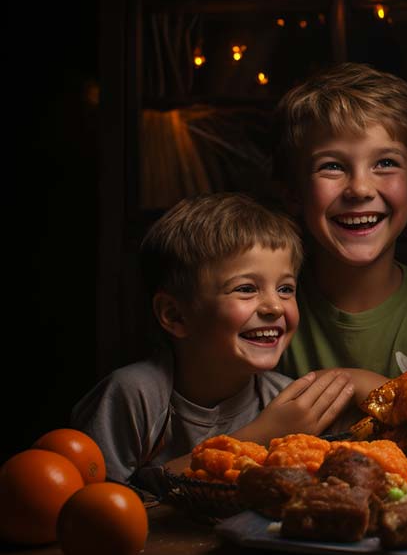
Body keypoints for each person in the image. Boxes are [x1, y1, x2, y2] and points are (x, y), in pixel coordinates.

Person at [73, 193, 356, 492]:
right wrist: (260, 436)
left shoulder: (285, 400)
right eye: (246, 289)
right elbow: (95, 504)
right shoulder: (133, 395)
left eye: (286, 288)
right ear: (175, 315)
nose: (274, 306)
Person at [275, 62, 407, 383]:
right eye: (331, 166)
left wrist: (363, 388)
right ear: (294, 192)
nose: (359, 189)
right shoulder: (270, 309)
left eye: (385, 163)